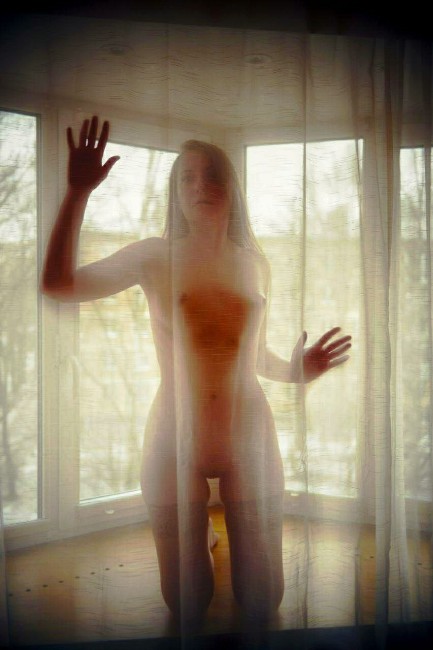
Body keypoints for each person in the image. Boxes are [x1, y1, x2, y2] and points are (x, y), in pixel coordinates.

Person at [41, 115, 351, 634]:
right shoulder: (153, 255)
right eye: (186, 177)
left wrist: (299, 371)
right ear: (175, 193)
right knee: (188, 606)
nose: (200, 186)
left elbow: (254, 356)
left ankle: (209, 528)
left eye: (212, 175)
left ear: (232, 188)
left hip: (248, 436)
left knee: (263, 603)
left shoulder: (254, 263)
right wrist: (77, 193)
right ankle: (200, 532)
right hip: (173, 438)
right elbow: (58, 285)